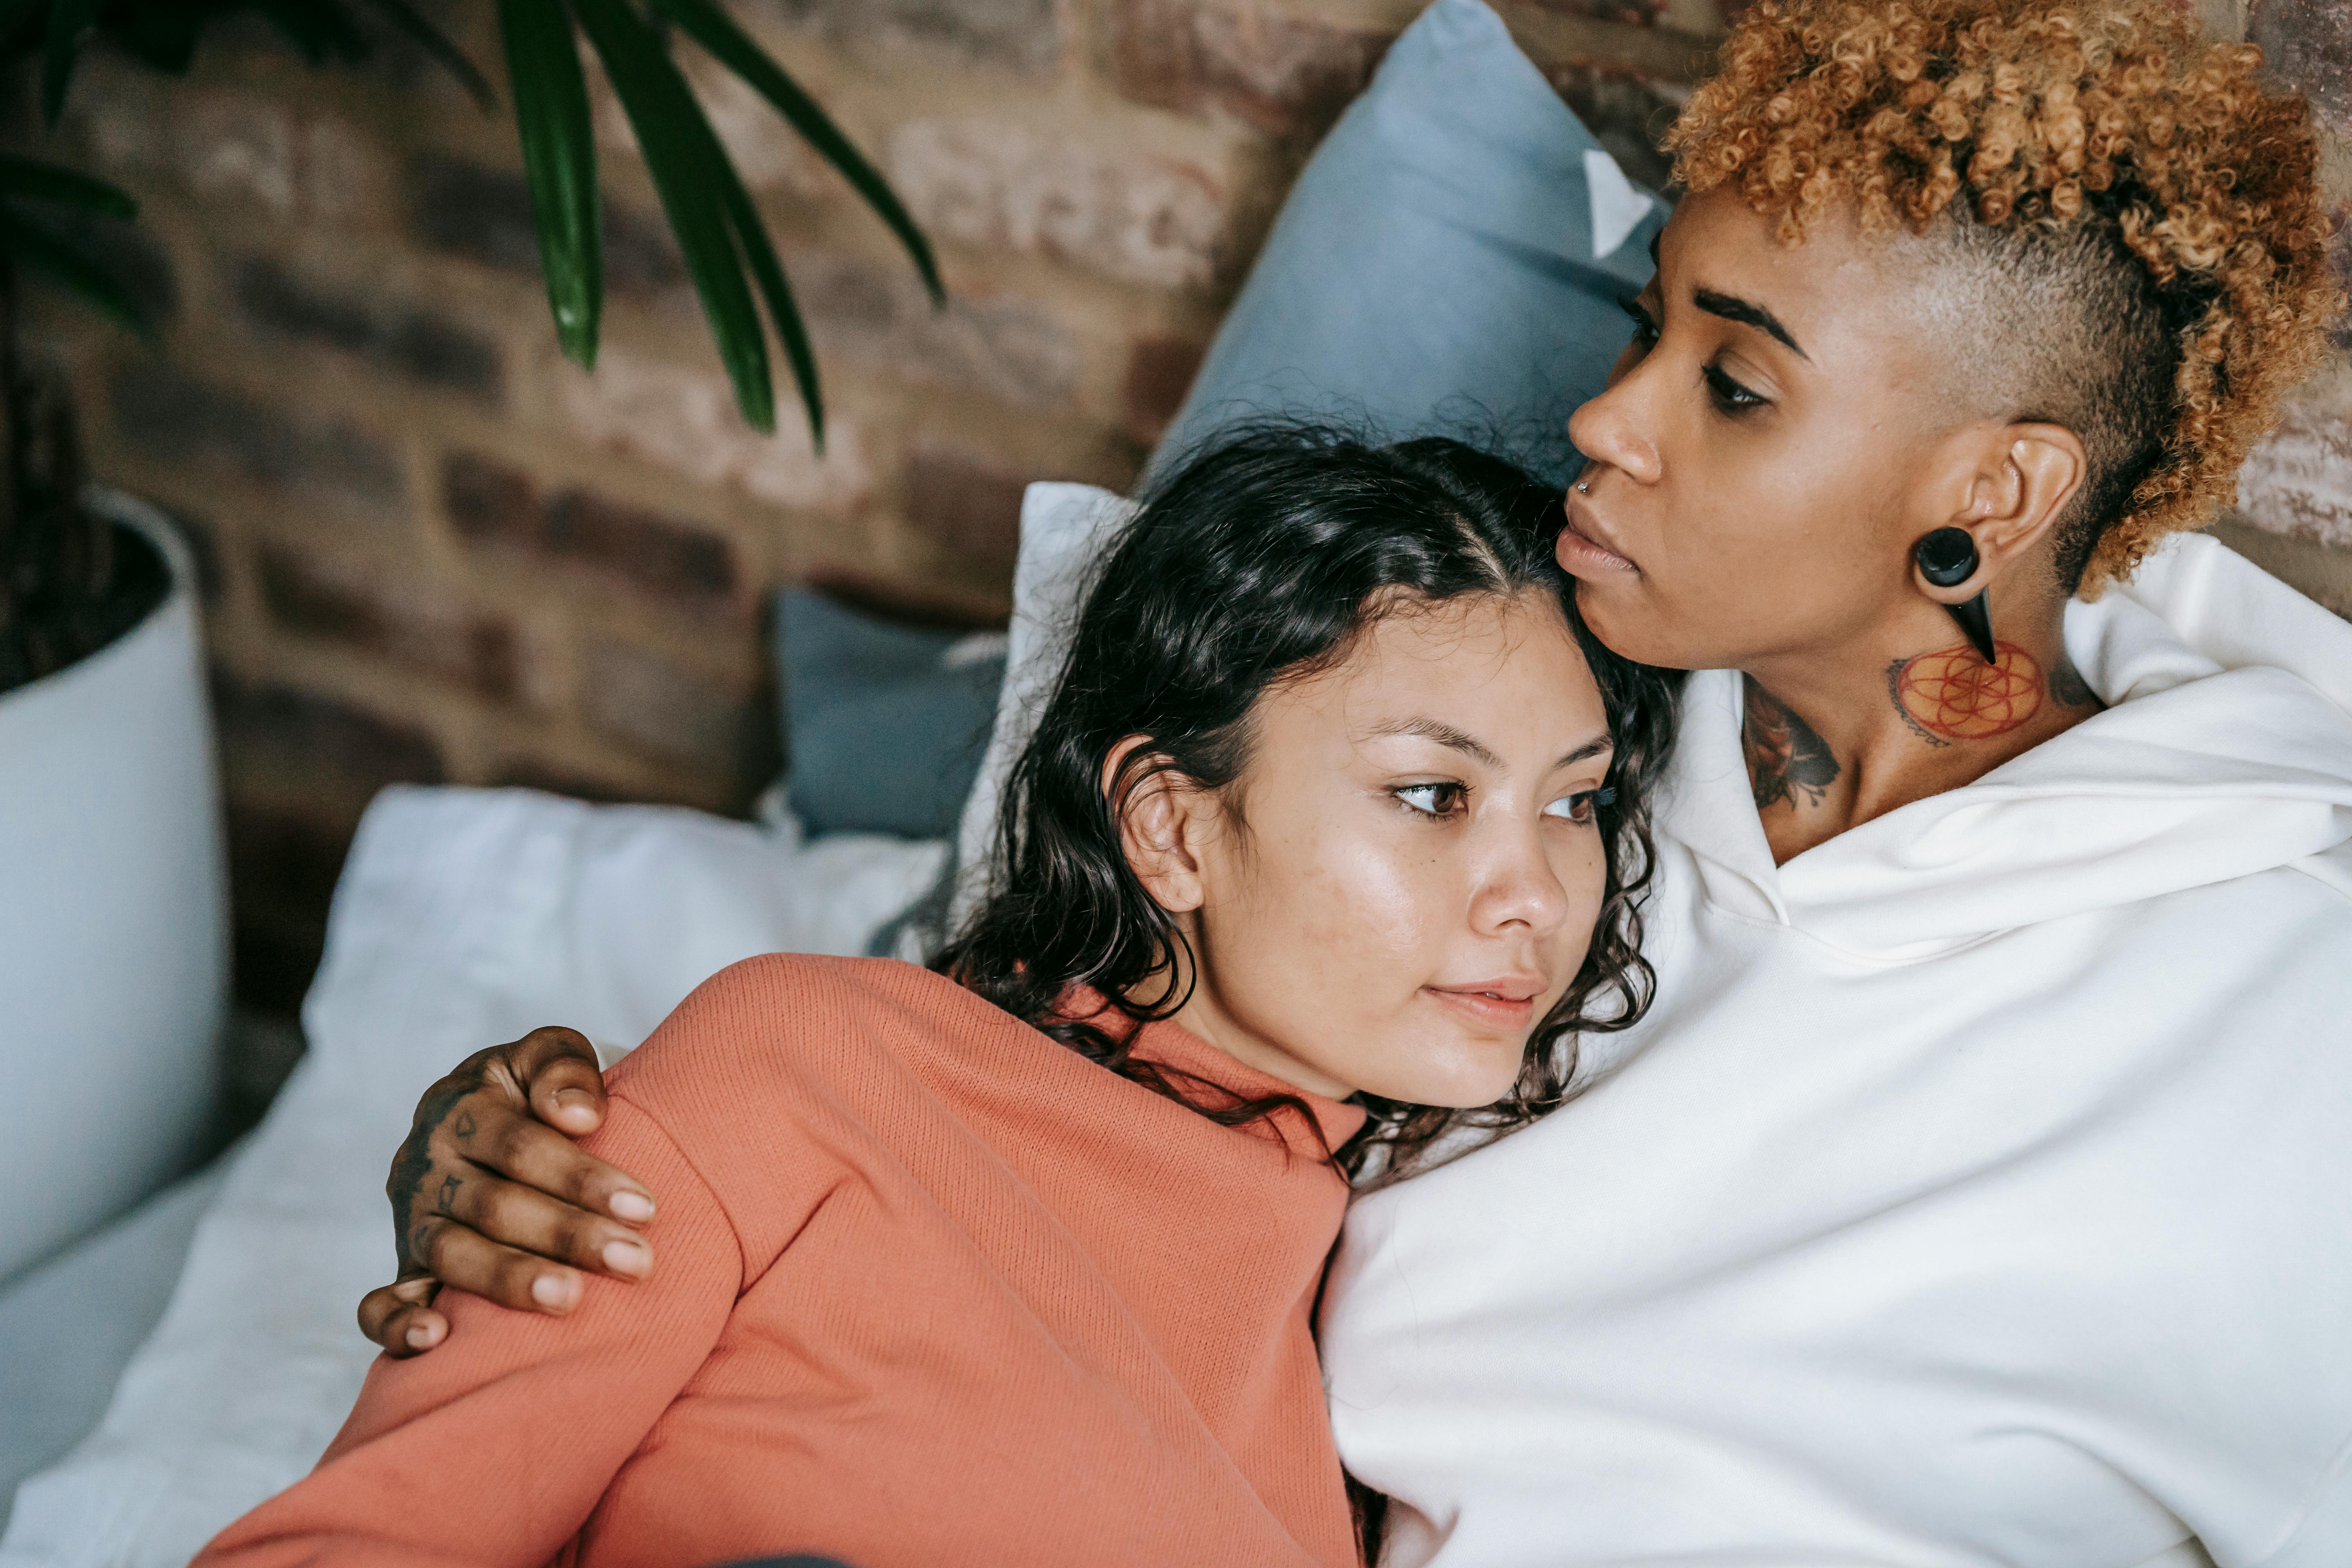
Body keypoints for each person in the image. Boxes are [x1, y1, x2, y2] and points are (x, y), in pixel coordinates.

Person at [353, 0, 2352, 1563]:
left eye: (1731, 386)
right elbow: (1047, 1060)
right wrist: (596, 1154)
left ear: (1991, 492)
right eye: (1646, 327)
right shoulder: (1572, 762)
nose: (1601, 418)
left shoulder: (2273, 1010)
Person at [192, 431, 1678, 1567]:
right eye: (1431, 794)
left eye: (1575, 802)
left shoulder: (1384, 1330)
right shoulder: (806, 1068)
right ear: (1168, 827)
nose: (1537, 895)